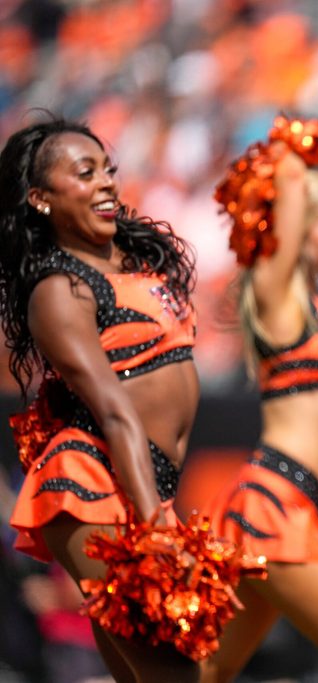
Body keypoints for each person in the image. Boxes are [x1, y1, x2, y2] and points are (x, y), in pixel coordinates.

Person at [0, 118, 201, 682]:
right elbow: (114, 410)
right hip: (92, 481)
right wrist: (157, 527)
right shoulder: (58, 290)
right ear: (41, 199)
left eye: (107, 169)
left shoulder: (136, 265)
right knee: (176, 674)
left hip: (138, 483)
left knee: (146, 675)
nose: (106, 181)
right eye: (85, 173)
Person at [201, 119, 318, 683]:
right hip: (273, 503)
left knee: (212, 671)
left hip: (289, 502)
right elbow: (286, 180)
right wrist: (294, 146)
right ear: (297, 225)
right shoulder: (278, 296)